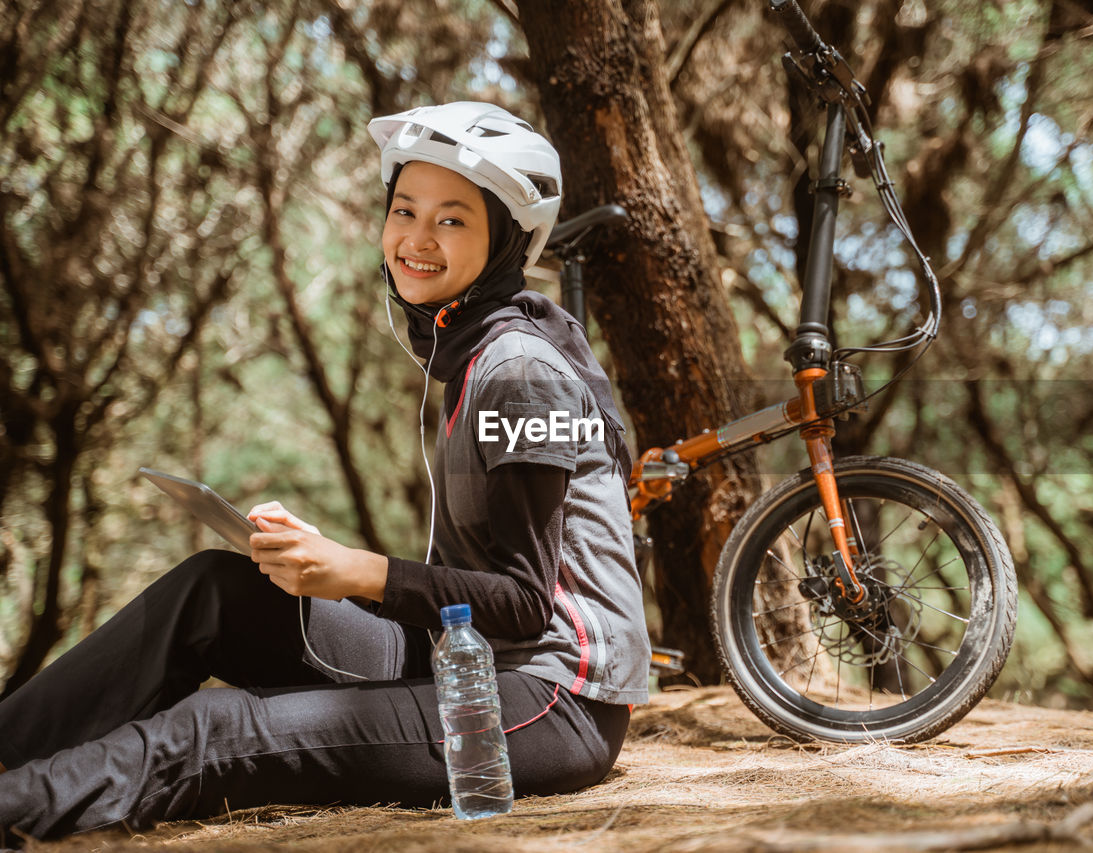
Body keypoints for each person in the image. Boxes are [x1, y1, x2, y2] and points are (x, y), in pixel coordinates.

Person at [0, 101, 650, 843]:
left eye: (452, 219)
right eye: (404, 209)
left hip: (548, 700)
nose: (416, 238)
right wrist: (321, 561)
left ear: (505, 238)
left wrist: (357, 572)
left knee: (213, 731)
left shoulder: (520, 370)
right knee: (213, 590)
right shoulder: (470, 351)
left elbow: (524, 605)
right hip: (460, 657)